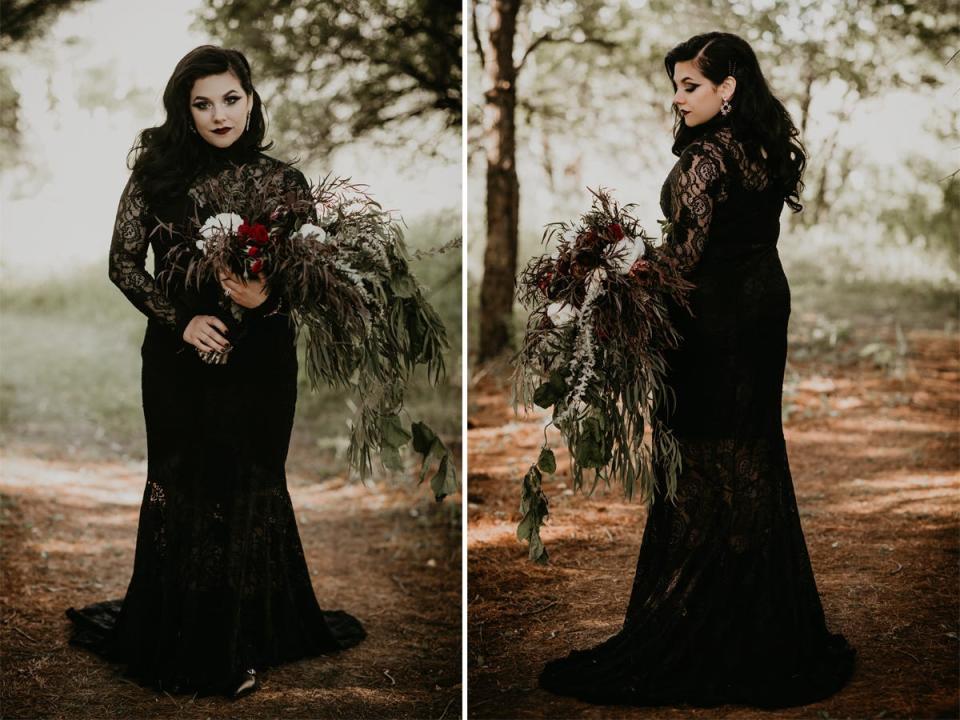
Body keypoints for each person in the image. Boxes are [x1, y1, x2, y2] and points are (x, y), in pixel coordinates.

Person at [538, 32, 856, 708]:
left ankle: (696, 621)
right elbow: (723, 240)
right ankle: (761, 619)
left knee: (697, 457)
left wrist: (616, 262)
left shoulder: (706, 159)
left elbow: (681, 265)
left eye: (691, 86)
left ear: (728, 86)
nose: (677, 98)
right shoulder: (762, 148)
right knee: (750, 452)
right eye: (676, 86)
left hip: (711, 323)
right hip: (762, 306)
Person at [65, 45, 365, 699]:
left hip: (262, 359)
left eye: (230, 99)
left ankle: (246, 638)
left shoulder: (284, 180)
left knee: (252, 483)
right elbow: (122, 264)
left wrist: (268, 299)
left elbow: (312, 277)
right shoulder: (156, 177)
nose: (218, 114)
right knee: (184, 483)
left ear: (251, 101)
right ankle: (183, 636)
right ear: (185, 111)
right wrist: (181, 320)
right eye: (202, 104)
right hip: (178, 359)